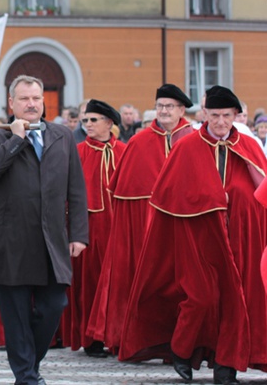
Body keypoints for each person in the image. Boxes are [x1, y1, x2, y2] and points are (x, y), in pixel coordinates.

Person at [119, 86, 267, 385]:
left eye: (227, 116)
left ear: (237, 116)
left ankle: (226, 365)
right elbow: (167, 197)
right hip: (197, 240)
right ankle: (182, 349)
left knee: (237, 302)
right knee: (201, 298)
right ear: (204, 115)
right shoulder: (188, 147)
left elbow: (260, 193)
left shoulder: (249, 147)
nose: (221, 122)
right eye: (215, 115)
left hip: (240, 241)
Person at [0, 75, 88, 385]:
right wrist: (16, 139)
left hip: (51, 241)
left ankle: (29, 365)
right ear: (11, 103)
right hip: (12, 242)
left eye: (36, 98)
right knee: (15, 319)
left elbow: (76, 188)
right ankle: (27, 377)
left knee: (54, 306)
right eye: (24, 98)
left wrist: (79, 234)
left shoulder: (62, 136)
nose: (31, 103)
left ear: (43, 102)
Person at [86, 84, 193, 354]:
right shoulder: (140, 142)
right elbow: (124, 196)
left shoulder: (194, 139)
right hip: (144, 231)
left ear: (182, 110)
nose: (164, 111)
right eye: (161, 106)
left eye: (170, 106)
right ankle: (134, 338)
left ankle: (187, 342)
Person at [60, 100, 126, 358]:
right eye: (85, 120)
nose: (87, 124)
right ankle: (92, 338)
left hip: (117, 230)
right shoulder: (75, 152)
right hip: (88, 230)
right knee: (89, 284)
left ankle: (118, 335)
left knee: (119, 283)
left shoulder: (124, 151)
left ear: (109, 124)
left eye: (93, 120)